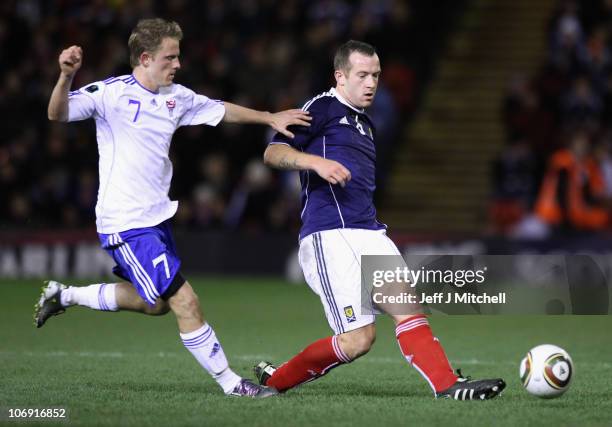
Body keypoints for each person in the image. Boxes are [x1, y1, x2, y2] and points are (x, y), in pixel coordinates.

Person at [34, 18, 311, 398]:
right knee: (185, 300)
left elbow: (220, 110)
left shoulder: (175, 97)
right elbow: (57, 113)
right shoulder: (110, 94)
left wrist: (268, 117)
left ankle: (63, 296)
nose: (178, 64)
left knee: (156, 306)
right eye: (171, 57)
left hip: (156, 219)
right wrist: (65, 76)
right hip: (126, 222)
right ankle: (233, 385)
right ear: (145, 58)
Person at [254, 40, 506, 400]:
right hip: (331, 233)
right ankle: (275, 381)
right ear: (340, 76)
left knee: (407, 305)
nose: (371, 82)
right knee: (359, 340)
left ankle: (448, 386)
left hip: (369, 231)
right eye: (362, 75)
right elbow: (273, 151)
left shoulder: (364, 123)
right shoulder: (322, 107)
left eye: (376, 75)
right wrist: (315, 162)